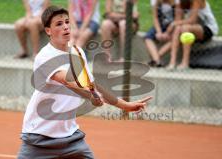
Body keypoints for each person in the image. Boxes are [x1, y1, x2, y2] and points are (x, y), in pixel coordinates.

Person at [17, 6, 152, 158]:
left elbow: (92, 84)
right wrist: (91, 94)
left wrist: (125, 105)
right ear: (48, 31)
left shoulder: (78, 52)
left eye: (67, 22)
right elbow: (68, 80)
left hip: (70, 137)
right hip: (39, 136)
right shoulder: (44, 57)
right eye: (59, 24)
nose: (66, 26)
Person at [167, 0, 219, 69]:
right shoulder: (180, 2)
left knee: (185, 28)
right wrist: (175, 24)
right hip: (193, 27)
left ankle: (185, 63)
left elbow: (192, 20)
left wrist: (173, 24)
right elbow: (178, 20)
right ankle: (172, 62)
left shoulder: (197, 1)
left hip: (208, 28)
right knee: (177, 29)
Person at [144, 0, 180, 67]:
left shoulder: (176, 2)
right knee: (148, 37)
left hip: (173, 26)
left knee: (175, 39)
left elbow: (178, 19)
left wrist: (168, 32)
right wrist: (159, 32)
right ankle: (157, 61)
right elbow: (155, 18)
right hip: (160, 25)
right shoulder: (155, 2)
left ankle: (155, 59)